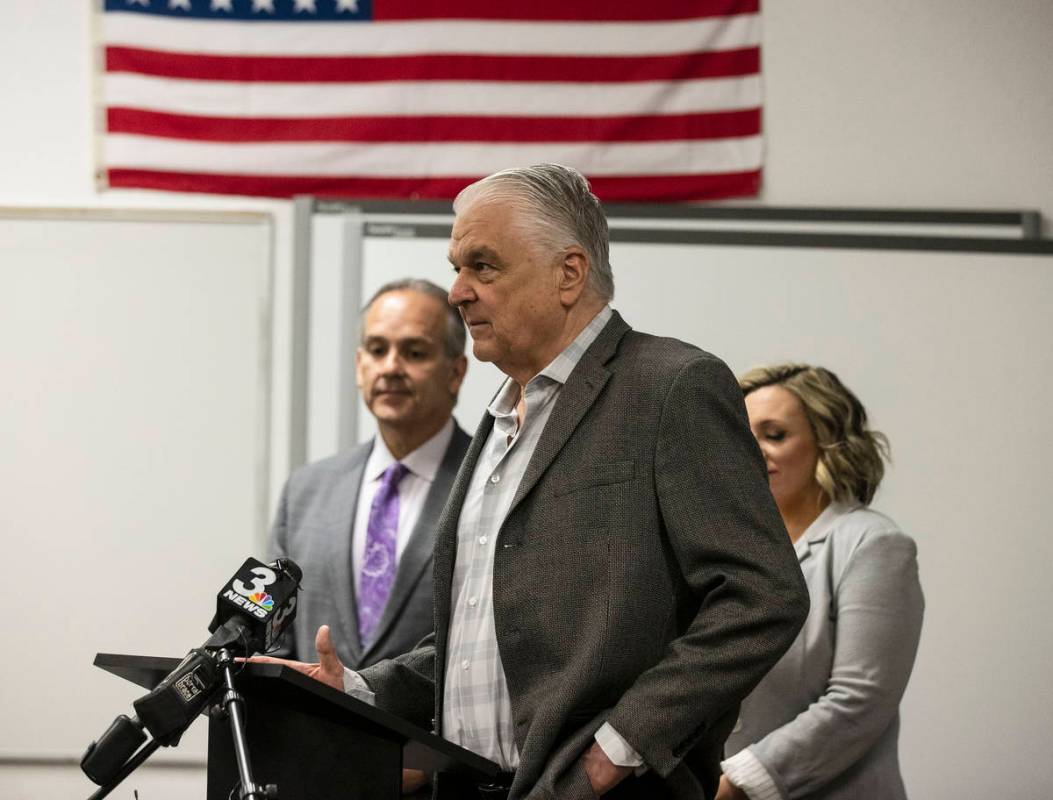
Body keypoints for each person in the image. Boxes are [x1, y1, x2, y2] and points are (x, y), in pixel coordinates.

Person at [258, 164, 808, 800]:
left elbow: (762, 596)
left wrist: (619, 747)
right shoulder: (500, 417)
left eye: (482, 266)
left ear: (568, 273)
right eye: (456, 266)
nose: (457, 291)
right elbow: (491, 640)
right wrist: (362, 690)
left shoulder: (671, 387)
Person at [718, 364, 924, 800]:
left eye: (774, 434)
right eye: (743, 432)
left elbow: (859, 701)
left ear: (828, 445)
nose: (752, 450)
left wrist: (740, 782)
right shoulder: (727, 544)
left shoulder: (873, 544)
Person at [269, 279, 470, 670]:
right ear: (360, 366)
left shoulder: (488, 482)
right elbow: (276, 642)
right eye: (378, 350)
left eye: (414, 352)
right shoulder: (306, 491)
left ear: (455, 373)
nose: (391, 367)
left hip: (433, 732)